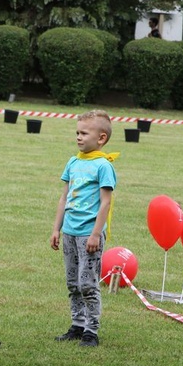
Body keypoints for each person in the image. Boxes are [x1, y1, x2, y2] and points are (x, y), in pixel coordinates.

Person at [50, 110, 118, 347]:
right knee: (73, 283)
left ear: (101, 138)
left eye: (84, 133)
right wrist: (56, 229)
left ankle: (91, 330)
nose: (78, 137)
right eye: (77, 132)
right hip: (69, 232)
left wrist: (96, 234)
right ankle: (77, 325)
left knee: (88, 283)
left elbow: (106, 202)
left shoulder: (103, 166)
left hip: (89, 235)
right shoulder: (73, 162)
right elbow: (64, 198)